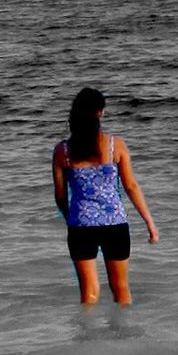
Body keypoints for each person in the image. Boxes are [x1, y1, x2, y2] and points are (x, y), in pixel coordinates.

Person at [52, 87, 158, 305]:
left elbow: (60, 196)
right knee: (120, 289)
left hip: (81, 225)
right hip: (115, 224)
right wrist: (150, 223)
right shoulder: (115, 145)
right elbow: (131, 186)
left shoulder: (62, 151)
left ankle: (86, 337)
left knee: (89, 294)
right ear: (100, 112)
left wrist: (71, 219)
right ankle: (124, 336)